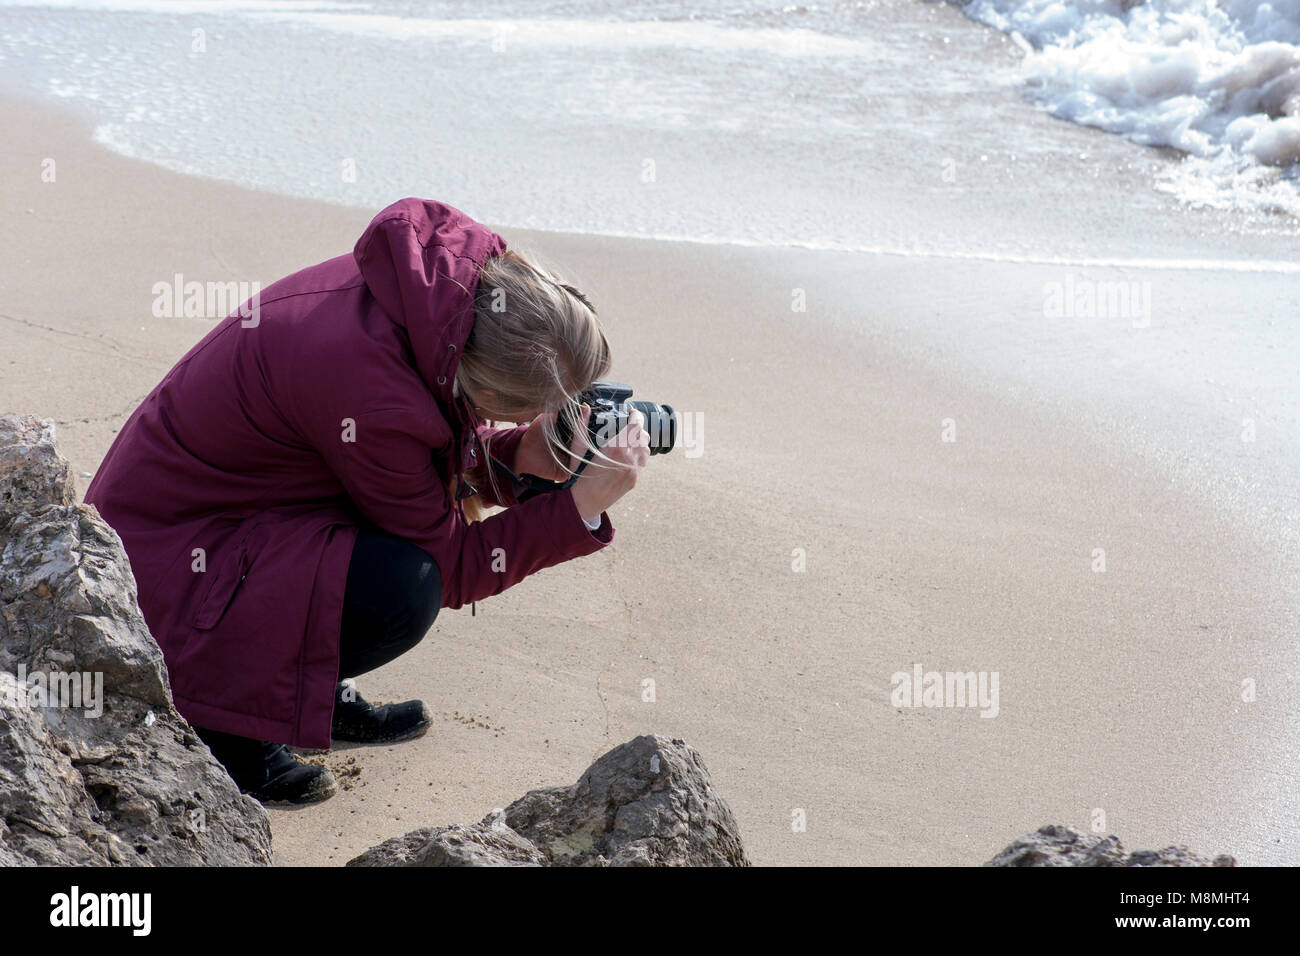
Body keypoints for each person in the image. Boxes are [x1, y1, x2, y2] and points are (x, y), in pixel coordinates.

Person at [84, 197, 649, 804]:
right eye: (526, 408)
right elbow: (457, 565)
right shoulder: (374, 394)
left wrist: (516, 455)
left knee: (394, 562)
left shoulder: (436, 297)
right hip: (161, 571)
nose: (543, 418)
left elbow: (416, 455)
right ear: (479, 383)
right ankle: (225, 720)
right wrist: (577, 509)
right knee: (403, 588)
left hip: (232, 517)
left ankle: (304, 689)